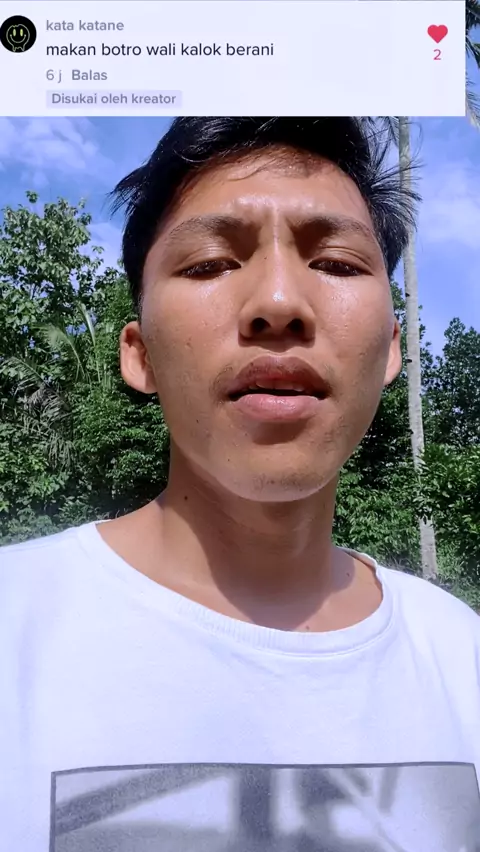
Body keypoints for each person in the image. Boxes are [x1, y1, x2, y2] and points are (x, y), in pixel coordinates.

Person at [0, 117, 479, 852]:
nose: (279, 302)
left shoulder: (461, 658)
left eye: (337, 263)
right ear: (139, 355)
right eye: (210, 264)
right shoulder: (17, 631)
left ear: (391, 349)